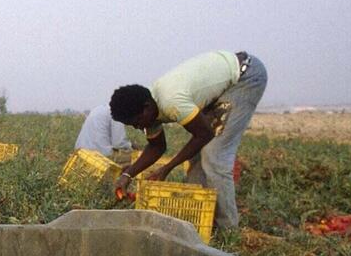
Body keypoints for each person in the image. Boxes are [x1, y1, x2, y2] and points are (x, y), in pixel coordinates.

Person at [109, 51, 267, 229]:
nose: (137, 128)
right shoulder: (150, 109)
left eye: (137, 122)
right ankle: (199, 223)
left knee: (214, 154)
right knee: (196, 158)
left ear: (146, 108)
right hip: (221, 89)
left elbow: (204, 134)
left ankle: (227, 230)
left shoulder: (171, 102)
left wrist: (167, 168)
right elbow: (156, 147)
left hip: (244, 77)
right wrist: (128, 174)